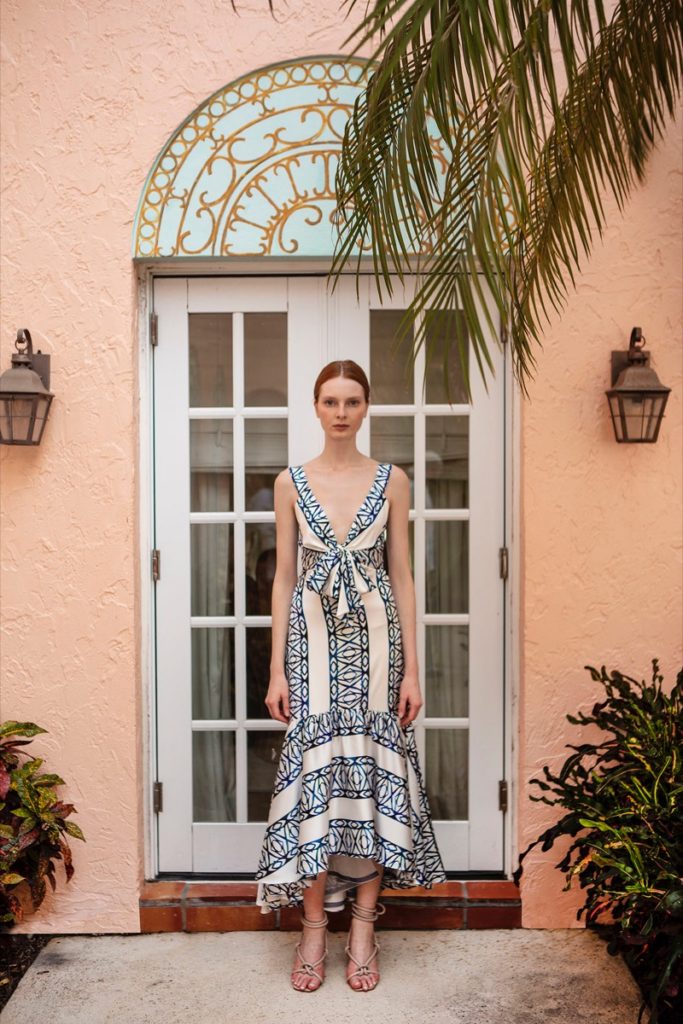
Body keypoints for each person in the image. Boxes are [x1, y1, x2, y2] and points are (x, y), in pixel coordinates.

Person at [254, 359, 446, 992]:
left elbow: (402, 575)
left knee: (370, 776)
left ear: (366, 408)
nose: (341, 412)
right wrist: (276, 667)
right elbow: (283, 577)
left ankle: (363, 930)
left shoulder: (393, 480)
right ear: (316, 407)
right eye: (331, 401)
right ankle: (313, 930)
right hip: (310, 648)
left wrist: (411, 669)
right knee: (316, 777)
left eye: (352, 401)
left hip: (377, 649)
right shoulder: (290, 482)